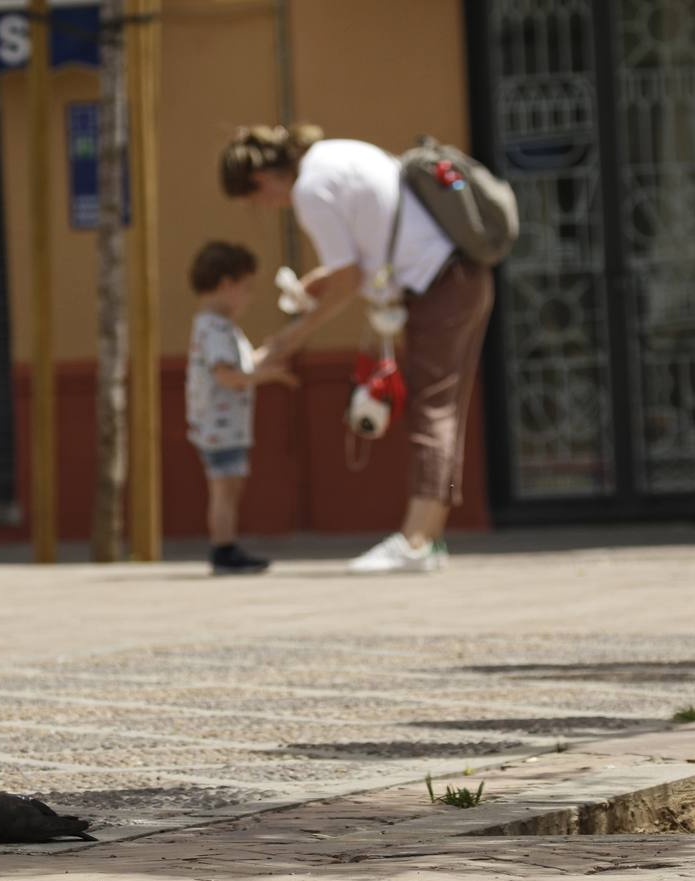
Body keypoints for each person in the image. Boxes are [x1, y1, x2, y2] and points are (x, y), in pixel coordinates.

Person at [219, 125, 495, 574]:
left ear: (262, 179)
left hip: (438, 286)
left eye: (254, 199)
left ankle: (416, 540)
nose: (263, 207)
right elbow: (373, 244)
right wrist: (323, 282)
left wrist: (285, 342)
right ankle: (430, 534)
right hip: (462, 276)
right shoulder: (335, 155)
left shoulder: (310, 190)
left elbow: (349, 282)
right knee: (445, 408)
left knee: (434, 410)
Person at [185, 241, 297, 575]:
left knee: (229, 487)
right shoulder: (215, 328)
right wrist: (268, 376)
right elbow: (227, 375)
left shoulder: (218, 328)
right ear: (226, 284)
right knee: (224, 490)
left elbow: (240, 365)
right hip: (219, 426)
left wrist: (270, 354)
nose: (249, 297)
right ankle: (224, 548)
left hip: (225, 425)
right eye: (246, 289)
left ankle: (226, 544)